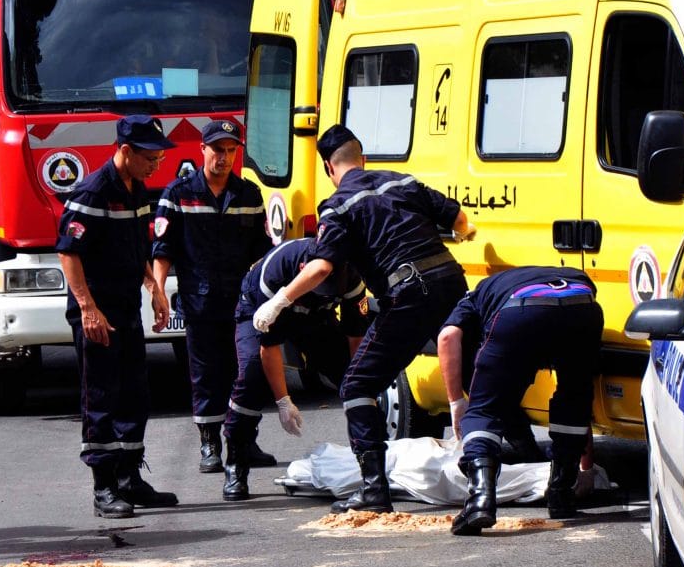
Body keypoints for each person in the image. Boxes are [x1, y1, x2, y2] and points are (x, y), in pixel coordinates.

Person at [252, 124, 475, 513]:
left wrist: (279, 301)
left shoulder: (337, 206)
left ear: (327, 167)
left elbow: (321, 268)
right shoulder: (402, 181)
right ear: (364, 157)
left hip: (409, 293)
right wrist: (468, 234)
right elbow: (460, 221)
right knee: (473, 368)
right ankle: (516, 451)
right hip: (452, 282)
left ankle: (374, 490)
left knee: (356, 384)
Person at [58, 114, 177, 519]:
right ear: (124, 151)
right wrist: (88, 308)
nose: (155, 165)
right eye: (149, 158)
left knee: (134, 394)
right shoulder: (93, 192)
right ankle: (104, 487)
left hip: (126, 308)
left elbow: (137, 247)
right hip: (98, 312)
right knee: (101, 397)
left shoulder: (138, 192)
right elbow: (68, 252)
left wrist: (154, 289)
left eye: (159, 159)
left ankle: (129, 479)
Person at [437, 266, 603, 535]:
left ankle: (480, 501)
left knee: (484, 410)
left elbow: (447, 337)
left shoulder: (476, 294)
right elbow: (580, 400)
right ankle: (562, 494)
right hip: (582, 305)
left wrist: (457, 402)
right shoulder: (570, 275)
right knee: (574, 396)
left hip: (519, 313)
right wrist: (587, 469)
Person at [152, 119, 272, 475]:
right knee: (206, 374)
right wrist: (158, 291)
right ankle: (210, 444)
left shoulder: (249, 195)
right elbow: (163, 249)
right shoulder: (178, 194)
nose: (224, 157)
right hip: (200, 302)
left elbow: (262, 253)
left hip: (242, 303)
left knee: (246, 371)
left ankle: (244, 441)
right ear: (202, 149)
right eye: (218, 149)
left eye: (231, 151)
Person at [225, 237, 370, 501]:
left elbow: (355, 337)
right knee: (253, 374)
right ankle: (236, 461)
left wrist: (356, 384)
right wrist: (283, 401)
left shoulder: (351, 278)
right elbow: (268, 348)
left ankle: (369, 461)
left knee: (353, 375)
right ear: (304, 271)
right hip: (262, 310)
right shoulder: (275, 272)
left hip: (314, 317)